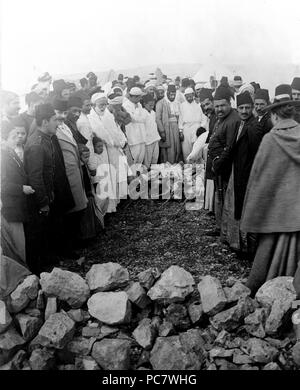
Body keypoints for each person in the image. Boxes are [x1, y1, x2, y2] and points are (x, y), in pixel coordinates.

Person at [241, 84, 300, 294]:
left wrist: (252, 212)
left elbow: (259, 180)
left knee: (268, 260)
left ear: (274, 114)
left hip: (275, 216)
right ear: (292, 112)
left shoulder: (270, 139)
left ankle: (269, 291)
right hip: (298, 214)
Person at [221, 91, 264, 255]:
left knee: (243, 208)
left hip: (246, 174)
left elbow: (256, 155)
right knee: (234, 205)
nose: (244, 111)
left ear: (252, 108)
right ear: (236, 109)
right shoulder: (240, 124)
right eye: (241, 108)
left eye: (248, 107)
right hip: (236, 171)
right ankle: (235, 241)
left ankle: (245, 246)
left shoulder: (254, 127)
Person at [24, 104, 59, 274]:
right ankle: (38, 273)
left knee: (45, 233)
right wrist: (43, 202)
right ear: (45, 122)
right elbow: (35, 178)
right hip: (38, 201)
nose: (57, 124)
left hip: (46, 195)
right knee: (36, 236)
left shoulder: (45, 138)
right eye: (54, 120)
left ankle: (47, 265)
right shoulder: (36, 144)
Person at [207, 86, 240, 233]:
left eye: (222, 105)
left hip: (225, 167)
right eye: (217, 106)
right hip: (218, 166)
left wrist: (219, 164)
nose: (219, 109)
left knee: (226, 198)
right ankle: (220, 227)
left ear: (230, 104)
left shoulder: (233, 120)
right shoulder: (221, 118)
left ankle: (225, 230)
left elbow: (230, 147)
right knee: (219, 196)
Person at [56, 103, 88, 256]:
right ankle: (69, 247)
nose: (61, 115)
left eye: (63, 112)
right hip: (67, 174)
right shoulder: (54, 129)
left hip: (75, 170)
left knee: (79, 208)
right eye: (58, 113)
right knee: (71, 211)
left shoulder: (66, 126)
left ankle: (75, 241)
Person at [1, 122, 35, 264]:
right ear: (5, 137)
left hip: (17, 206)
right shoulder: (2, 156)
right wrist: (22, 188)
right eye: (14, 136)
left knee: (20, 244)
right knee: (17, 246)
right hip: (11, 208)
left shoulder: (10, 152)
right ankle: (24, 279)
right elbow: (2, 184)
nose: (18, 139)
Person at [199, 88, 218, 212]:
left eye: (207, 104)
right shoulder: (211, 117)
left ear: (213, 102)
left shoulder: (217, 116)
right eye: (203, 105)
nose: (206, 107)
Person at [178, 87, 208, 162]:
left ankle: (198, 172)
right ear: (185, 96)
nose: (189, 97)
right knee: (186, 151)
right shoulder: (182, 105)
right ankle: (188, 171)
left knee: (197, 150)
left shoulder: (199, 105)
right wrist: (181, 131)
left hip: (197, 128)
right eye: (187, 95)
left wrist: (202, 127)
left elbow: (204, 118)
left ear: (193, 94)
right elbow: (180, 119)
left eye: (190, 95)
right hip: (186, 129)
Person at [156, 84, 181, 164]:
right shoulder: (161, 103)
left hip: (176, 128)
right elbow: (158, 118)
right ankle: (167, 170)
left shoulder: (177, 103)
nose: (172, 95)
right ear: (167, 93)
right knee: (168, 150)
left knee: (176, 148)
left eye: (174, 93)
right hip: (167, 129)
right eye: (171, 93)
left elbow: (180, 117)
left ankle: (175, 168)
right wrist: (162, 132)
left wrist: (180, 131)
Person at [122, 87, 147, 166]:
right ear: (135, 97)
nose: (141, 98)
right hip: (133, 138)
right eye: (140, 97)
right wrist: (138, 117)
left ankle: (139, 176)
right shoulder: (126, 105)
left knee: (140, 160)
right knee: (134, 160)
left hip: (141, 136)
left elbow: (144, 117)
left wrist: (138, 117)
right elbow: (132, 118)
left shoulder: (139, 104)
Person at [142, 93, 161, 169]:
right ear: (144, 104)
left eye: (153, 105)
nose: (152, 107)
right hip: (148, 140)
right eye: (150, 105)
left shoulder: (153, 113)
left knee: (155, 158)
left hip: (155, 138)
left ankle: (153, 175)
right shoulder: (142, 113)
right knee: (147, 161)